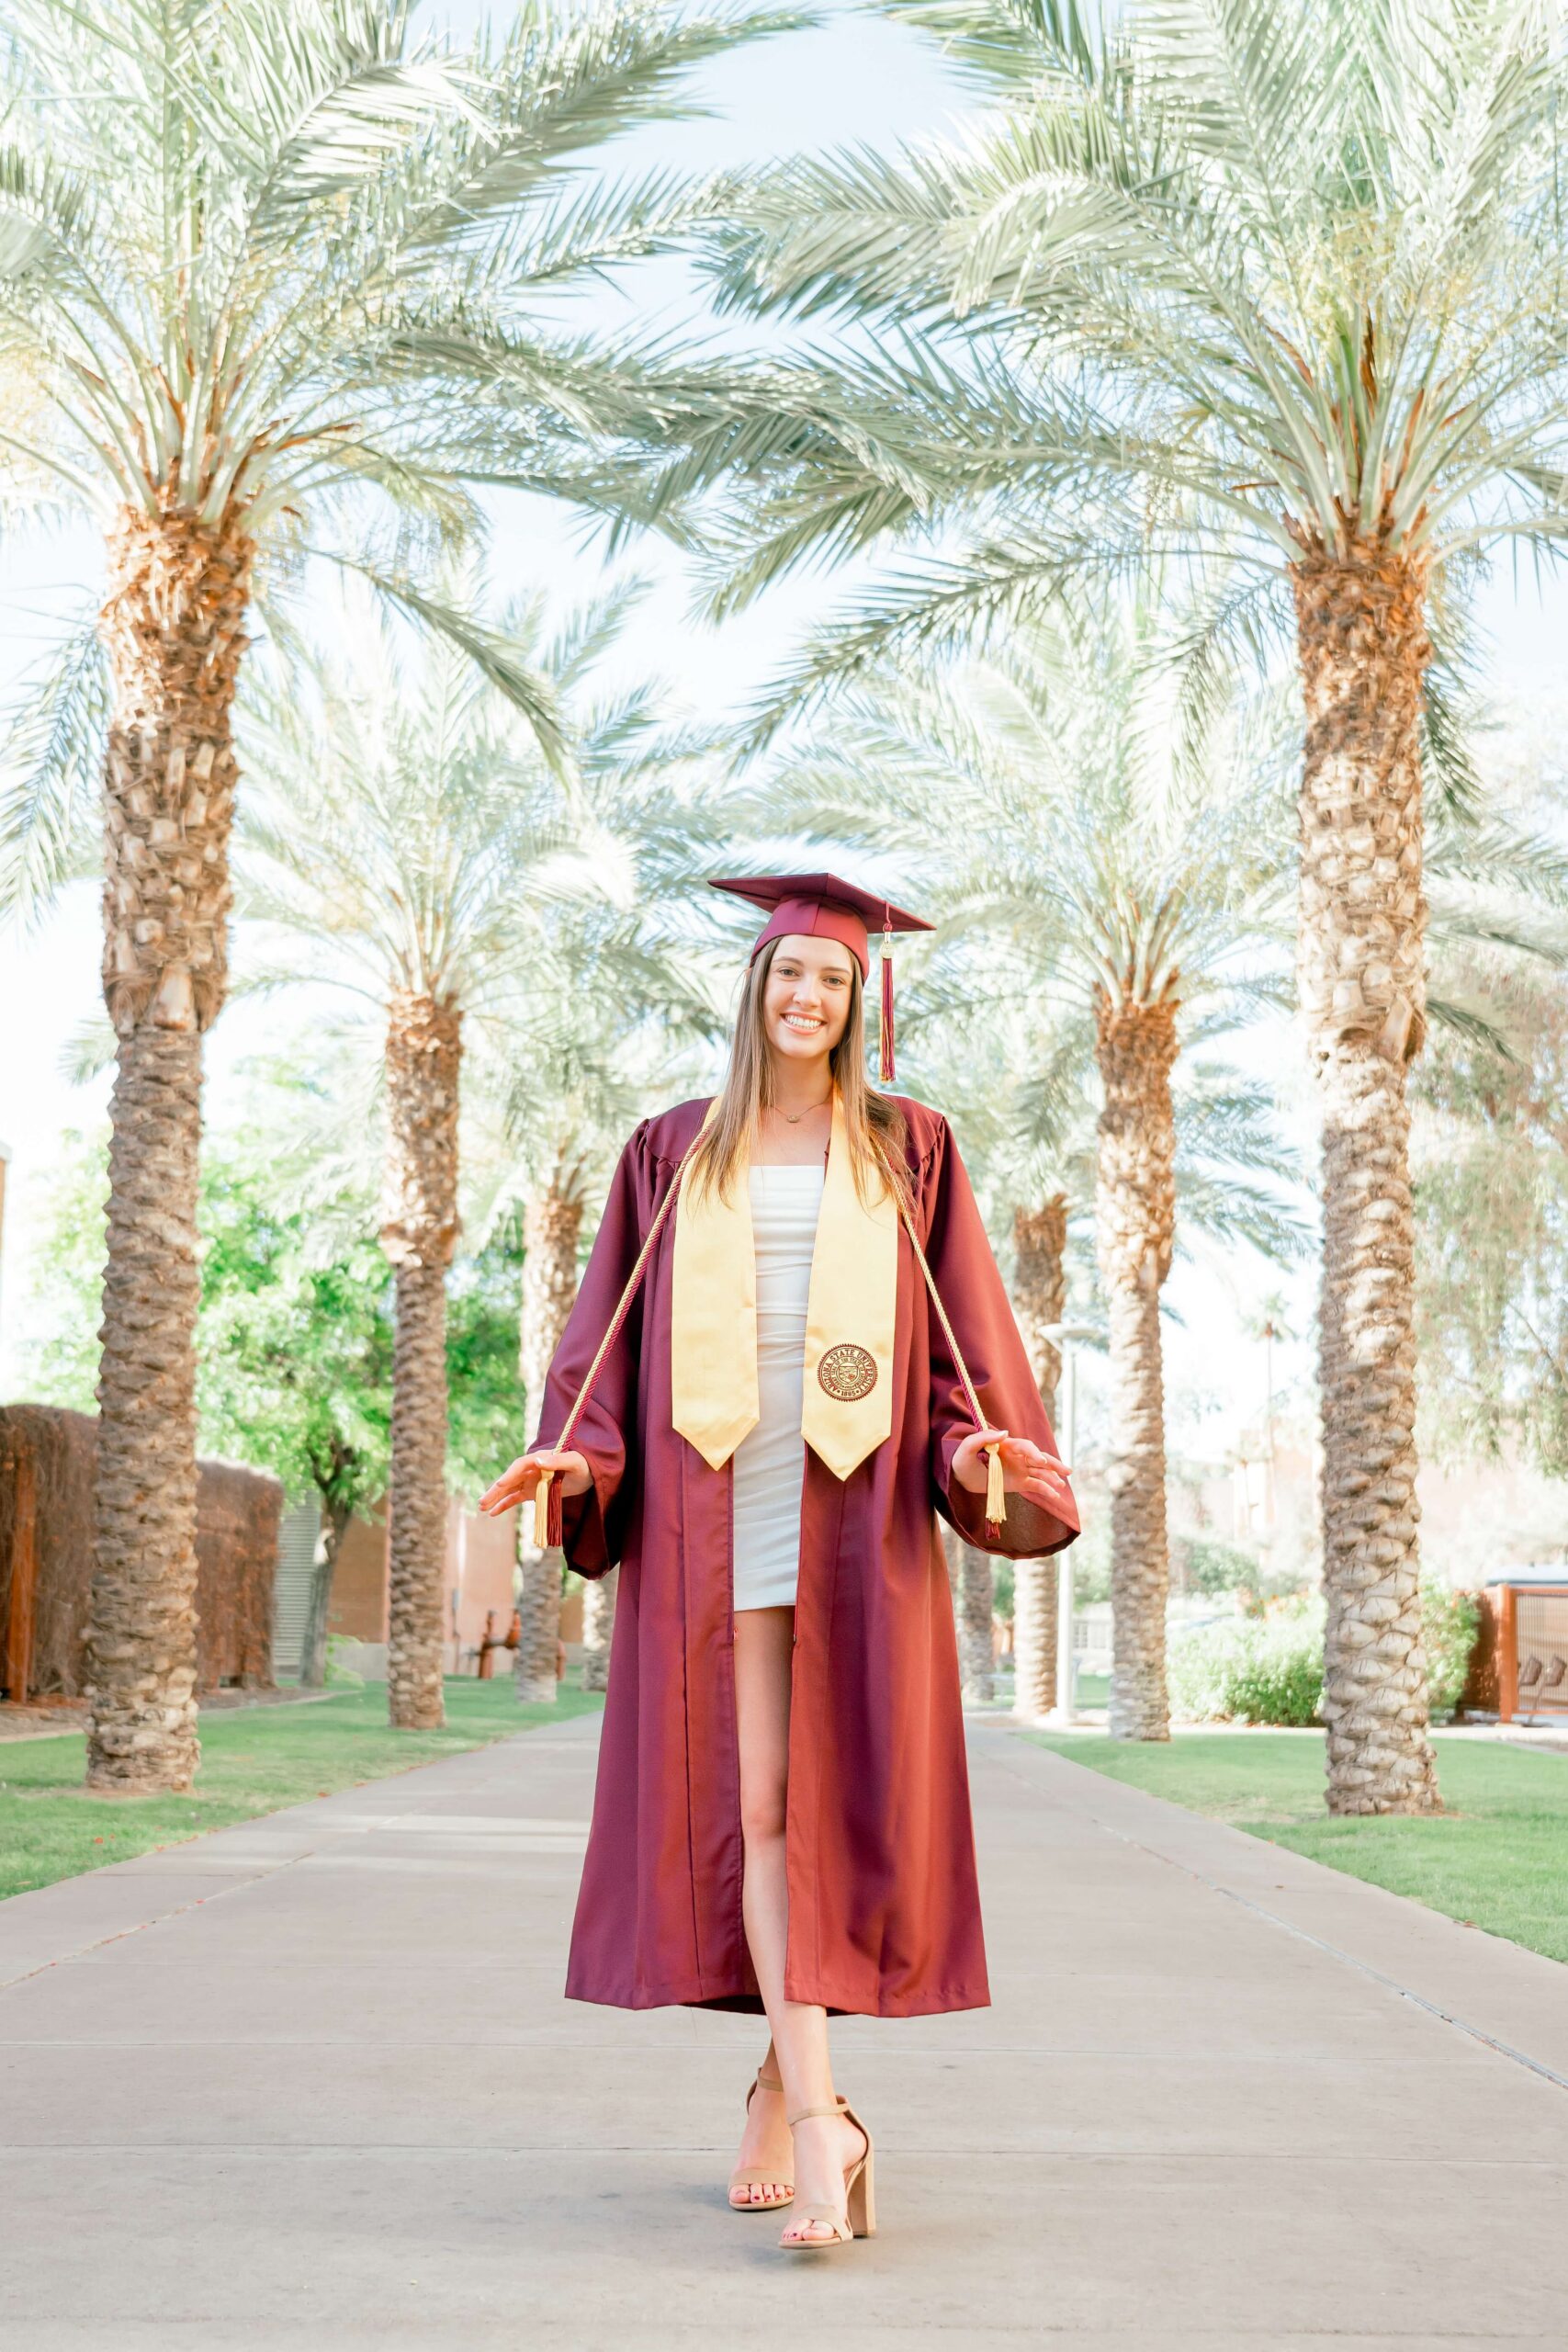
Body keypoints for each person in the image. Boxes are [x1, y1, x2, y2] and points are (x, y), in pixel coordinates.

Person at [480, 873, 1079, 2253]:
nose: (807, 998)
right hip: (713, 1508)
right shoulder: (672, 1151)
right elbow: (605, 1347)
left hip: (851, 1514)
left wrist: (979, 1456)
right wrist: (579, 1461)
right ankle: (827, 2120)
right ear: (751, 991)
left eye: (831, 980)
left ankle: (788, 2098)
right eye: (786, 976)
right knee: (750, 1813)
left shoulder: (909, 1146)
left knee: (822, 1812)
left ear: (859, 1000)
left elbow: (962, 1346)